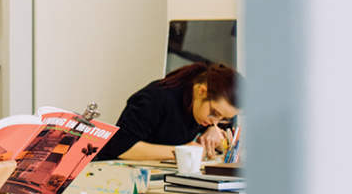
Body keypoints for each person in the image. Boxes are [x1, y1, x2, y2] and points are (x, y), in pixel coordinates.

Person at [97, 63, 243, 162]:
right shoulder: (157, 99)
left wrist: (212, 131)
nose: (215, 121)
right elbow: (120, 147)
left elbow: (221, 140)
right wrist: (180, 152)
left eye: (223, 119)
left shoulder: (202, 112)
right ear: (202, 91)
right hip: (112, 177)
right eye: (215, 113)